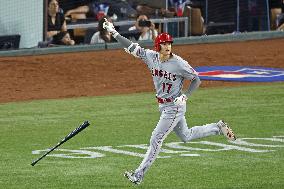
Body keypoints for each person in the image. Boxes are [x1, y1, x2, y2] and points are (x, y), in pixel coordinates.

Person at [102, 18, 237, 185]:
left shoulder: (179, 63)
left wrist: (185, 95)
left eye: (169, 44)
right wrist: (114, 32)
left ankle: (138, 175)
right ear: (158, 46)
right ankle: (218, 127)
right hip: (163, 104)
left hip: (174, 106)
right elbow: (130, 46)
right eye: (164, 44)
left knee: (156, 139)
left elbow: (196, 79)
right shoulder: (150, 57)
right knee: (186, 136)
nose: (168, 46)